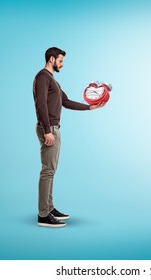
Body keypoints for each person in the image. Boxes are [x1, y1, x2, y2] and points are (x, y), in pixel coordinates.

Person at [33, 47, 105, 228]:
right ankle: (43, 215)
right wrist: (47, 129)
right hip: (49, 129)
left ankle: (48, 208)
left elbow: (65, 101)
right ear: (51, 59)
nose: (62, 64)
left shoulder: (52, 81)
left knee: (51, 170)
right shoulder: (42, 77)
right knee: (47, 171)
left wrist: (90, 107)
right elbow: (40, 104)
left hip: (54, 128)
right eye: (60, 61)